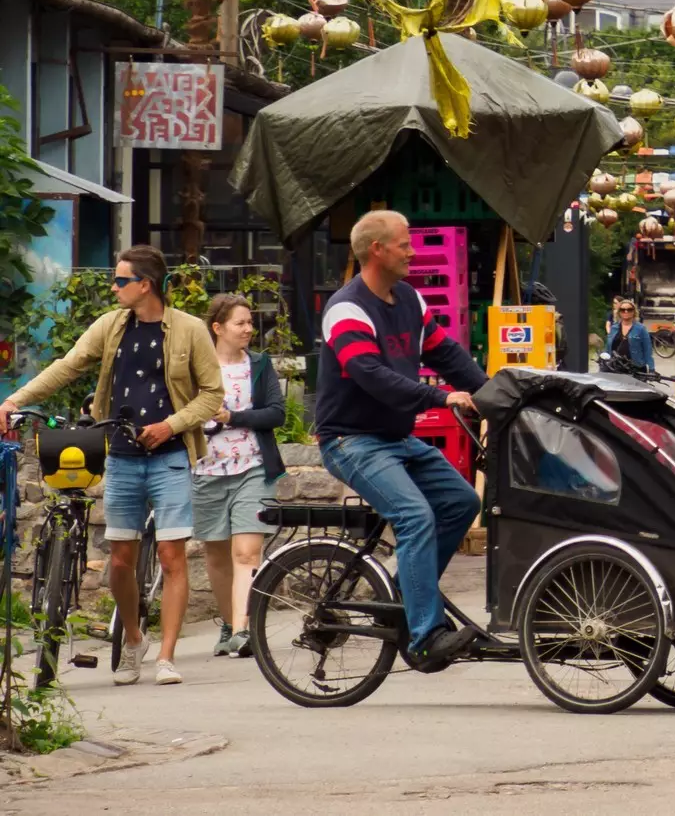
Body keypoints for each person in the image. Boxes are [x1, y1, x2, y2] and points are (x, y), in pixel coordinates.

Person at [0, 245, 221, 685]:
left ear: (146, 284)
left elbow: (212, 394)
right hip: (121, 455)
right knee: (120, 559)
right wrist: (13, 400)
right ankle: (134, 637)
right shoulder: (110, 327)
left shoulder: (190, 330)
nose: (114, 287)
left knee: (172, 555)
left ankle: (166, 657)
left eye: (121, 281)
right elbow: (67, 367)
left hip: (171, 457)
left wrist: (171, 424)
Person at [315, 211, 488, 668]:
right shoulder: (346, 308)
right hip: (351, 441)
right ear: (377, 250)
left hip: (395, 438)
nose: (412, 252)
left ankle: (403, 597)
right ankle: (424, 636)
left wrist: (494, 396)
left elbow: (446, 353)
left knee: (462, 502)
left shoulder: (409, 299)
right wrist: (441, 397)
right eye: (404, 244)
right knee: (414, 516)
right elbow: (370, 375)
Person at [195, 293, 285, 659]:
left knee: (246, 553)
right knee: (216, 555)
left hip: (254, 467)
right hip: (205, 470)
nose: (248, 329)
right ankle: (229, 624)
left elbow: (276, 414)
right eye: (240, 323)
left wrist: (233, 417)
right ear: (217, 328)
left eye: (250, 323)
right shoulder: (196, 369)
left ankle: (244, 631)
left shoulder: (260, 366)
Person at [606, 297, 655, 372]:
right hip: (615, 368)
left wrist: (651, 369)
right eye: (623, 310)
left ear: (634, 312)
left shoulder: (641, 329)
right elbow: (608, 348)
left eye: (629, 310)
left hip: (636, 368)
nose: (626, 312)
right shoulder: (614, 328)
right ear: (619, 312)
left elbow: (647, 350)